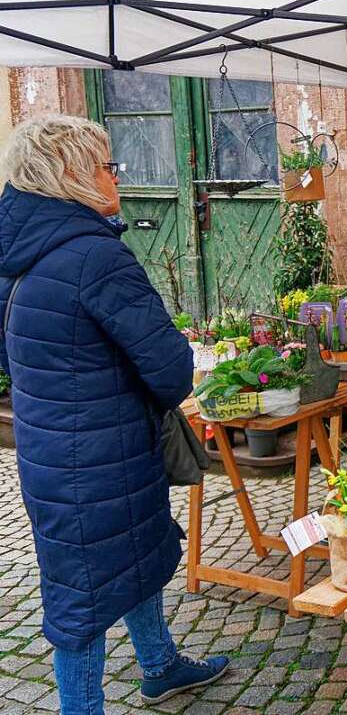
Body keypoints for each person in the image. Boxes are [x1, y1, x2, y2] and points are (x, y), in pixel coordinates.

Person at [0, 115, 229, 714]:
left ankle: (159, 665)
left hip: (53, 451)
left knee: (131, 554)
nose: (116, 176)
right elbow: (170, 368)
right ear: (72, 175)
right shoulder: (94, 256)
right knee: (82, 600)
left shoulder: (16, 253)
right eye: (106, 165)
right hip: (101, 455)